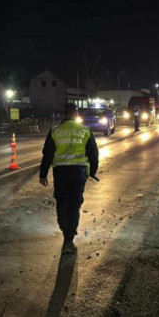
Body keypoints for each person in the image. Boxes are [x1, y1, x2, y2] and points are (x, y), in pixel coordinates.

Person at [39, 103, 99, 254]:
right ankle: (69, 238)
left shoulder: (55, 131)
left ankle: (64, 229)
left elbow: (47, 154)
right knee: (74, 203)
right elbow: (93, 153)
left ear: (64, 114)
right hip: (79, 173)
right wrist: (93, 171)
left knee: (61, 201)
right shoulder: (85, 130)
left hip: (60, 173)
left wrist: (43, 174)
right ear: (76, 114)